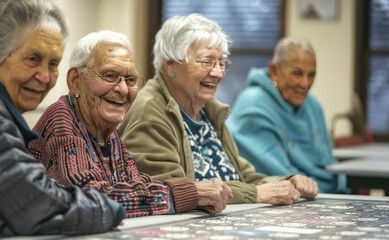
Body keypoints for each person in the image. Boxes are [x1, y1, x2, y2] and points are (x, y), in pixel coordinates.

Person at [0, 1, 124, 239]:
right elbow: (37, 206)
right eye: (33, 59)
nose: (45, 77)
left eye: (54, 63)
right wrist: (109, 205)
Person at [118, 13, 318, 206]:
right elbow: (171, 191)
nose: (218, 73)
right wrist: (254, 194)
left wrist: (286, 181)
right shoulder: (149, 112)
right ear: (170, 65)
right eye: (207, 62)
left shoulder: (208, 112)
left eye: (222, 63)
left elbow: (242, 174)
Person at [28, 30, 232, 218]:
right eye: (110, 76)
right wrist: (185, 194)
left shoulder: (107, 131)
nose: (124, 89)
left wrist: (194, 195)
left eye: (131, 79)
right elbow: (90, 198)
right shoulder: (62, 118)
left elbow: (134, 182)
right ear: (75, 81)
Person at [226, 37, 348, 193]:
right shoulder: (254, 104)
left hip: (325, 193)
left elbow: (328, 162)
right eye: (297, 73)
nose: (305, 84)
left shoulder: (313, 105)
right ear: (274, 71)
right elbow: (282, 177)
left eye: (311, 75)